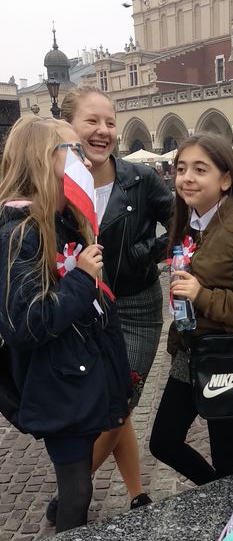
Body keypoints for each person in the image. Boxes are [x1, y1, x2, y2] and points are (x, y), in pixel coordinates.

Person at [0, 116, 132, 533]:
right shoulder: (20, 233)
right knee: (76, 492)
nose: (85, 160)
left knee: (79, 487)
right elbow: (25, 322)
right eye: (73, 150)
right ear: (43, 158)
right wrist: (81, 278)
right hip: (59, 384)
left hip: (79, 377)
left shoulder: (63, 220)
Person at [53, 86, 173, 519]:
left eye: (110, 122)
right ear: (68, 126)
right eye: (92, 121)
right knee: (111, 402)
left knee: (122, 400)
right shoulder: (58, 183)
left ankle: (74, 488)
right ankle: (137, 491)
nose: (103, 130)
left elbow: (182, 221)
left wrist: (144, 253)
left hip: (136, 305)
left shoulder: (140, 179)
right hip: (86, 311)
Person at [150, 134, 233, 484]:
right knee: (164, 442)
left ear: (225, 179)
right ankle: (222, 501)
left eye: (200, 169)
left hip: (227, 356)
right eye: (182, 169)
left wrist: (203, 295)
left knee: (225, 455)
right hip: (189, 351)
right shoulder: (189, 223)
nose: (187, 178)